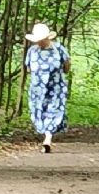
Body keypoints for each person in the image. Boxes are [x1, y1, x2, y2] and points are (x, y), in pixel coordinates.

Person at [24, 22, 70, 153]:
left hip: (56, 87)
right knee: (38, 111)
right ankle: (45, 133)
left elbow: (67, 65)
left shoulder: (59, 48)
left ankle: (48, 138)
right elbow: (28, 68)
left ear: (47, 38)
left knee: (53, 110)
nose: (39, 42)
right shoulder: (32, 51)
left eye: (41, 40)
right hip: (37, 89)